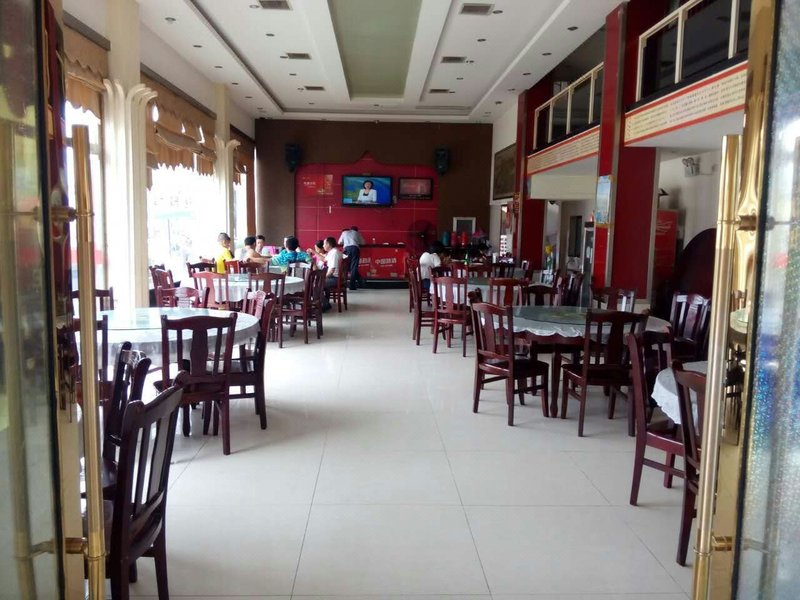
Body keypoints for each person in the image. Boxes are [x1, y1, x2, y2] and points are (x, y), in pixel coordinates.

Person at [338, 226, 364, 290]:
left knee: (346, 266)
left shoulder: (344, 232)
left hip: (346, 249)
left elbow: (339, 242)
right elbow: (363, 243)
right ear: (356, 230)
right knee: (354, 267)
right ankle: (353, 285)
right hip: (355, 249)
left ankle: (344, 283)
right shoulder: (357, 233)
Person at [322, 236, 341, 311]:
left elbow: (332, 270)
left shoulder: (334, 253)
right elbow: (324, 259)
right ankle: (323, 302)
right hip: (333, 277)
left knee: (316, 285)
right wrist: (314, 252)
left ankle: (325, 304)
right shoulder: (333, 252)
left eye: (324, 244)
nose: (323, 246)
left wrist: (323, 278)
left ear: (328, 244)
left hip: (334, 278)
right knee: (316, 283)